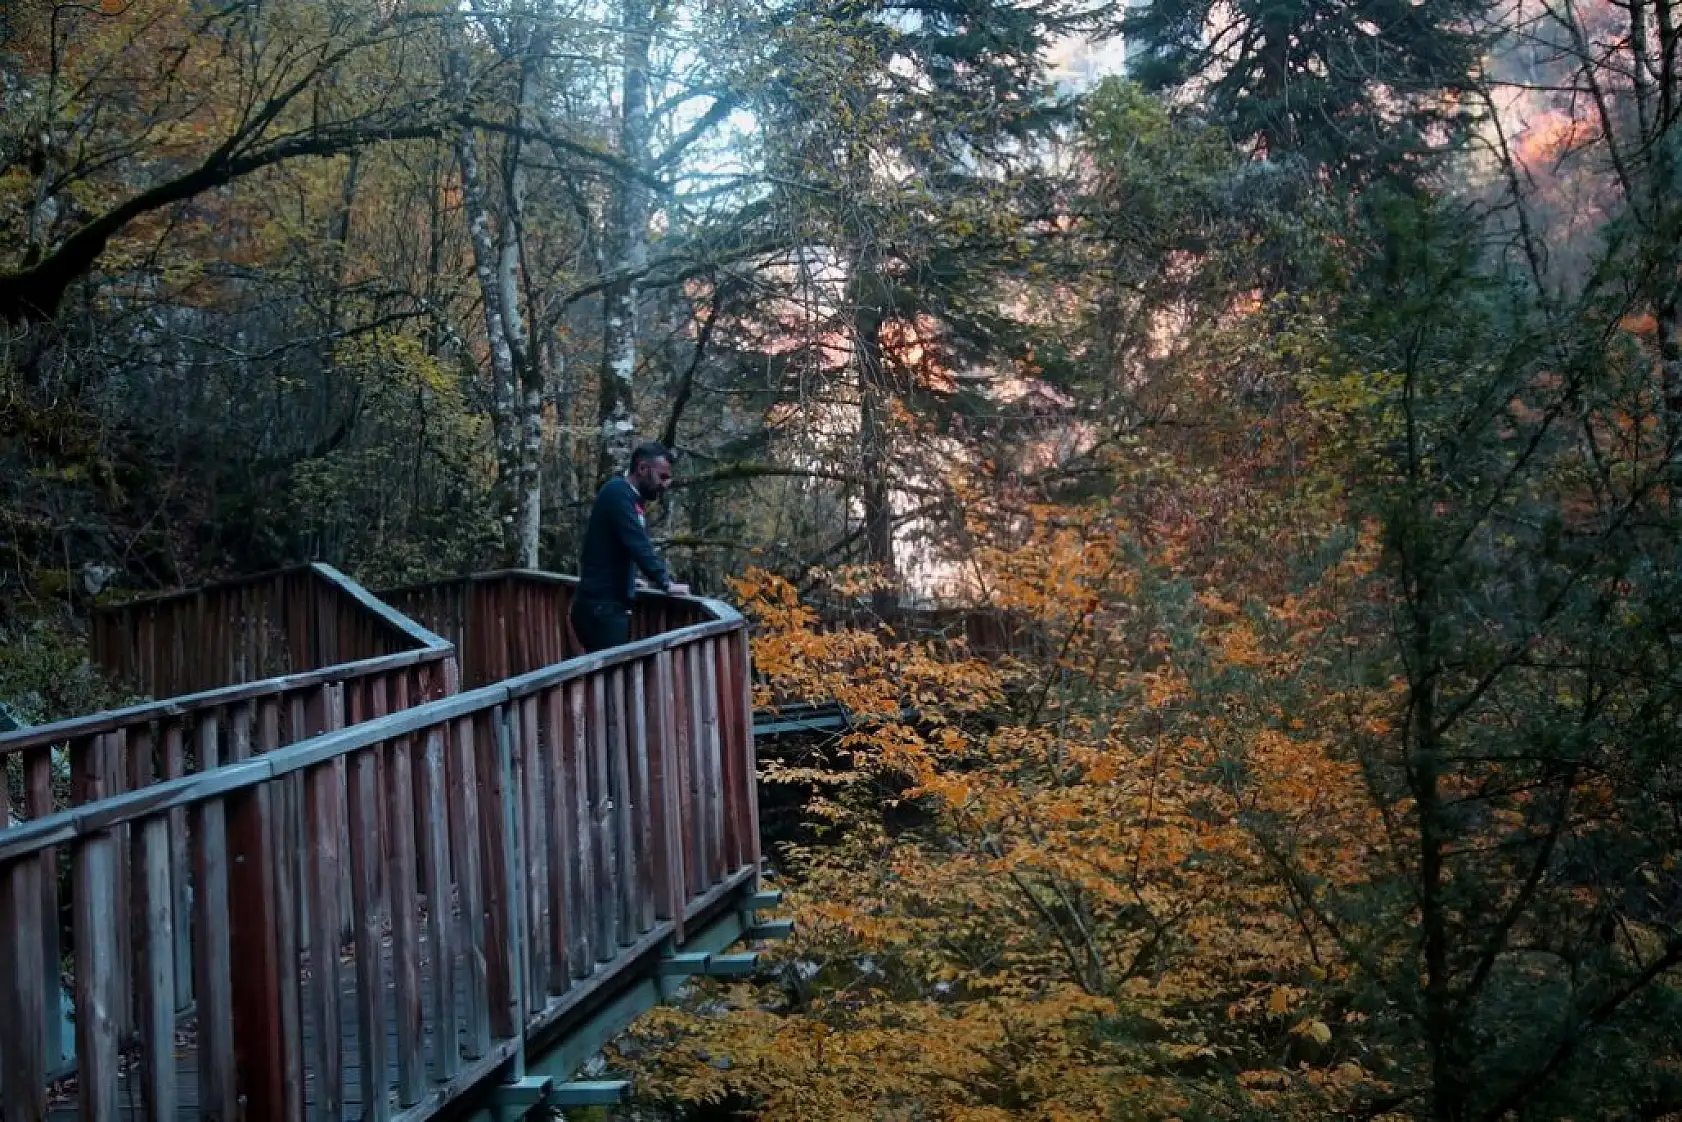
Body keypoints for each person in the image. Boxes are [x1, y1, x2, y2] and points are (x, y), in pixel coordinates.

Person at [569, 440, 691, 652]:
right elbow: (637, 543)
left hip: (603, 606)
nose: (665, 484)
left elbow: (611, 547)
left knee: (610, 678)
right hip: (602, 609)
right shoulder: (617, 494)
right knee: (612, 680)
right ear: (643, 468)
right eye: (662, 476)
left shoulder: (625, 497)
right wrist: (665, 582)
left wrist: (628, 580)